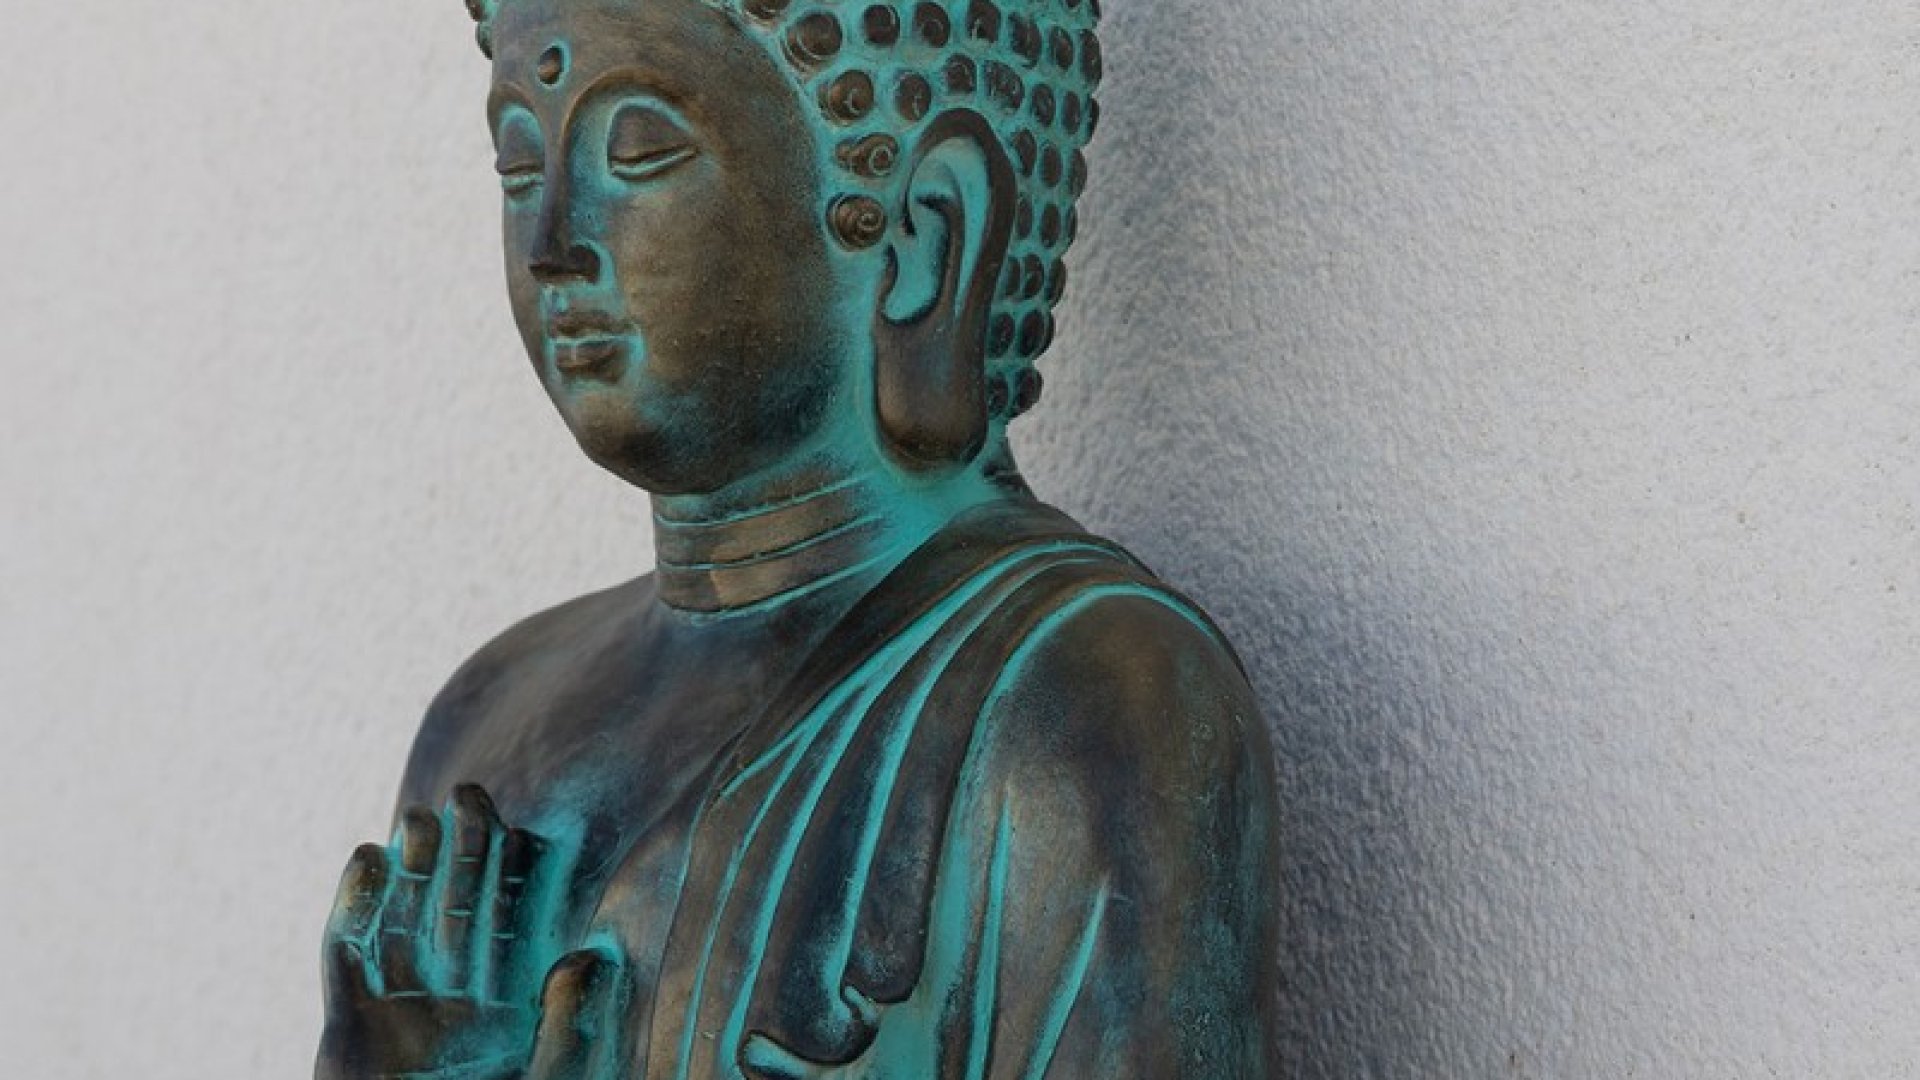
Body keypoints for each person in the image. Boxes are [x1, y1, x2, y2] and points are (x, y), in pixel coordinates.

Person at [316, 0, 1278, 1074]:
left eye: (639, 155)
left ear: (924, 238)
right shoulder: (490, 717)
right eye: (519, 168)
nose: (554, 246)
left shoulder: (1084, 701)